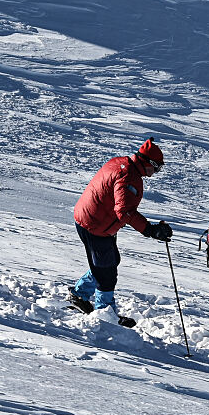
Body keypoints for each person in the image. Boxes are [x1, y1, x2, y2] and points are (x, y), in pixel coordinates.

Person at [68, 138, 172, 328]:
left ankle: (80, 293)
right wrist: (150, 229)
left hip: (90, 220)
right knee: (106, 272)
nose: (156, 173)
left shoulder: (121, 163)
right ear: (149, 163)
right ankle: (104, 314)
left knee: (110, 262)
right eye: (156, 169)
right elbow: (124, 211)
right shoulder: (128, 177)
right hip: (95, 226)